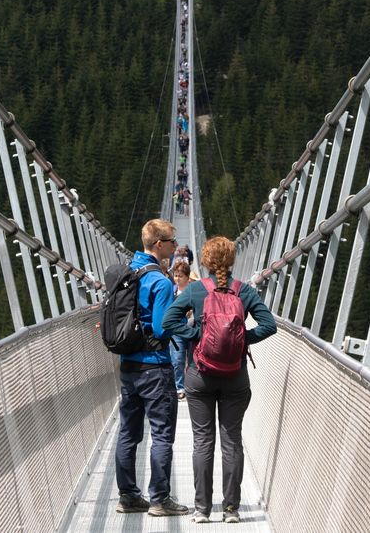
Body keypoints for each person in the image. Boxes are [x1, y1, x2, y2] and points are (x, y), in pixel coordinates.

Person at [163, 236, 276, 524]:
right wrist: (241, 342)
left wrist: (197, 337)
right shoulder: (244, 291)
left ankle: (202, 510)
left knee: (202, 442)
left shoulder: (196, 290)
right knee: (231, 441)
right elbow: (269, 326)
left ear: (206, 262)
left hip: (200, 375)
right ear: (232, 261)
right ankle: (231, 510)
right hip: (235, 376)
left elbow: (168, 322)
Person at [114, 219, 190, 517]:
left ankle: (128, 496)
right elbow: (160, 329)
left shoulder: (127, 271)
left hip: (128, 366)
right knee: (161, 434)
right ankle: (159, 498)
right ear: (159, 244)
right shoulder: (160, 281)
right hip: (155, 368)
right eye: (173, 242)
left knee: (128, 433)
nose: (177, 248)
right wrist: (182, 325)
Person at [168, 260, 194, 400]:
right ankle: (180, 387)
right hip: (176, 331)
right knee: (177, 360)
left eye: (180, 276)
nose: (177, 279)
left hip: (192, 330)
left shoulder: (194, 290)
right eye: (176, 275)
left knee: (192, 359)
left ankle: (190, 386)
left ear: (187, 277)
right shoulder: (170, 290)